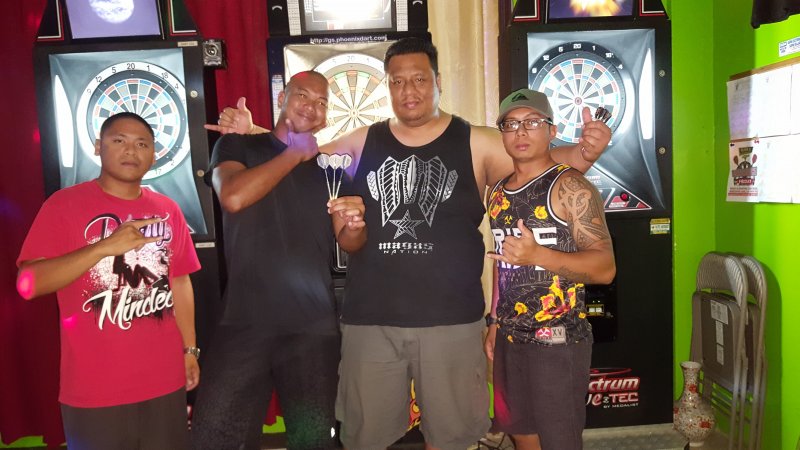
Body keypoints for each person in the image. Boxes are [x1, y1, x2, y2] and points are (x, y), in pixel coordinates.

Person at [211, 37, 611, 450]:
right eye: (397, 81)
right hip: (371, 322)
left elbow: (539, 161)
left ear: (437, 81)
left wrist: (586, 152)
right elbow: (306, 154)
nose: (409, 90)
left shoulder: (475, 141)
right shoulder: (362, 140)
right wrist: (254, 131)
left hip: (452, 322)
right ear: (388, 86)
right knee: (367, 438)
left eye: (419, 79)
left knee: (451, 438)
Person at [191, 71, 366, 450]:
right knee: (215, 436)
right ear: (282, 97)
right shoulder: (238, 145)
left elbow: (350, 242)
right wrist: (293, 153)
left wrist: (356, 224)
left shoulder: (331, 168)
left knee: (313, 440)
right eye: (303, 95)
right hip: (244, 320)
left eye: (322, 102)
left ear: (326, 116)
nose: (312, 106)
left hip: (312, 327)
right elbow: (233, 197)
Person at [16, 112, 201, 450]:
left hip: (164, 381)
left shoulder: (168, 209)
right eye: (119, 141)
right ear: (98, 147)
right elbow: (28, 284)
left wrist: (190, 349)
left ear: (154, 155)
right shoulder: (63, 205)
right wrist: (103, 248)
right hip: (95, 390)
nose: (131, 150)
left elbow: (180, 282)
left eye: (142, 144)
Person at [484, 88, 616, 450]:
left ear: (552, 131)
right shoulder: (497, 193)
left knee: (559, 441)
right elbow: (502, 262)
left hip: (557, 342)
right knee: (521, 435)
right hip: (510, 338)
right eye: (511, 124)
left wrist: (538, 255)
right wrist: (494, 322)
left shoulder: (571, 186)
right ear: (502, 134)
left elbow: (605, 268)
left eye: (532, 122)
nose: (521, 131)